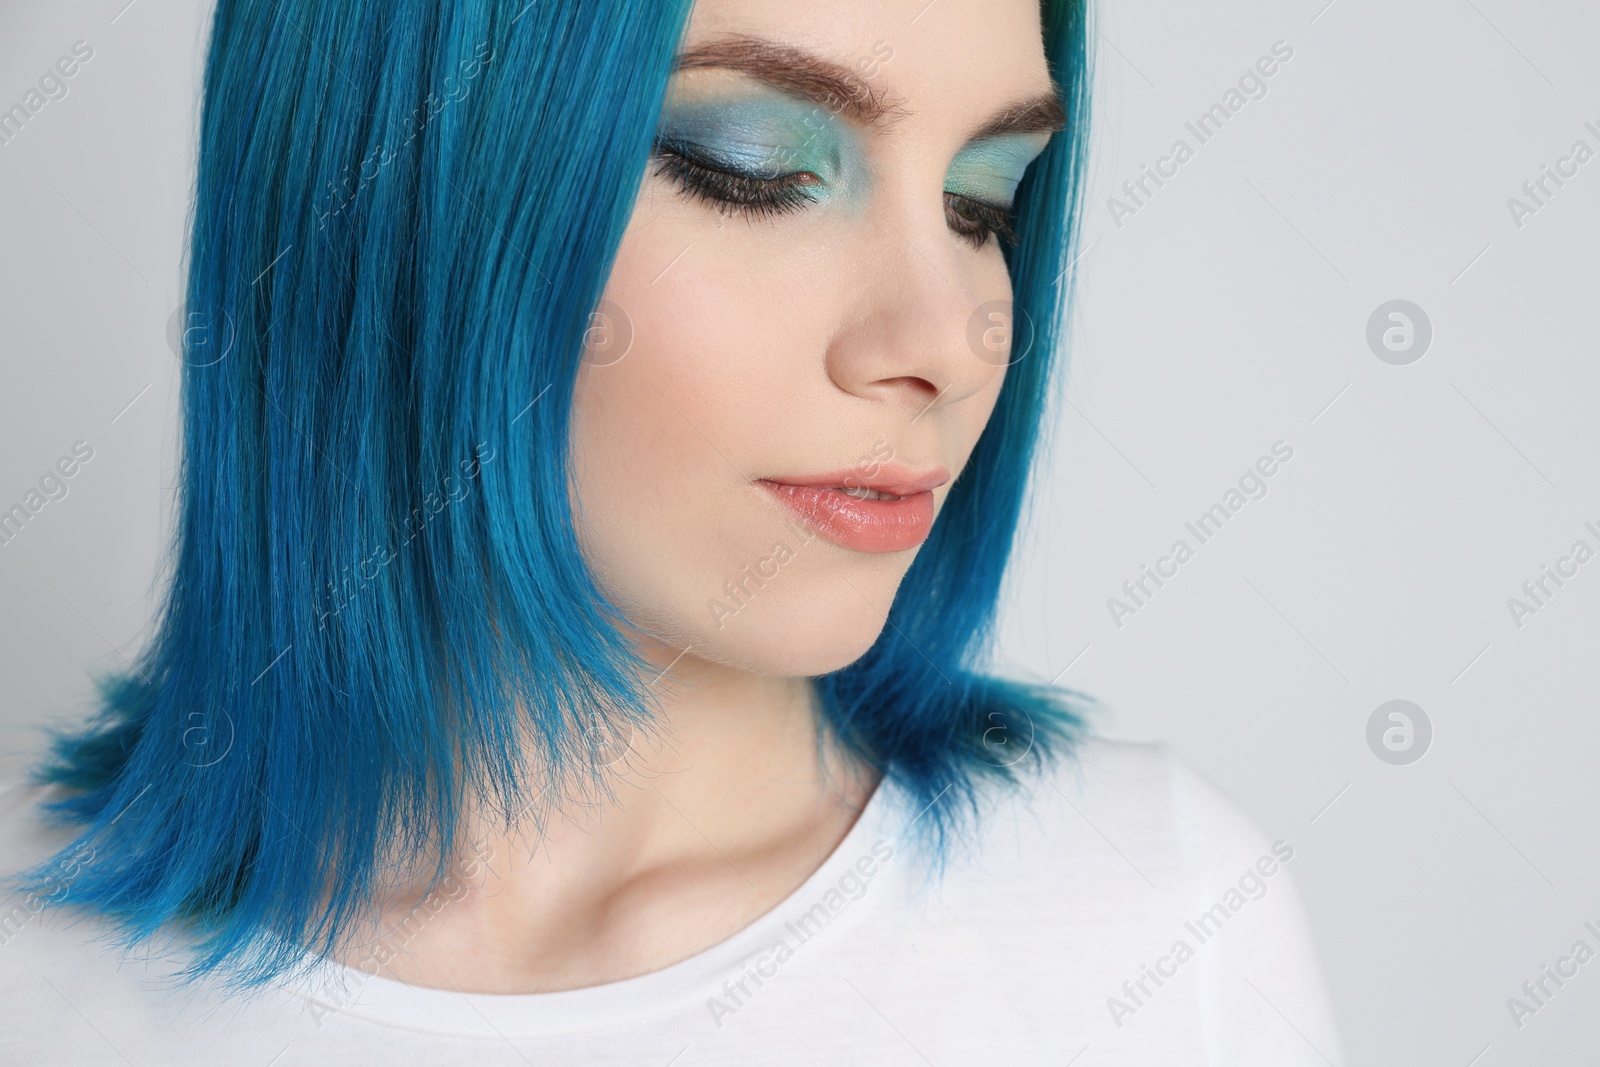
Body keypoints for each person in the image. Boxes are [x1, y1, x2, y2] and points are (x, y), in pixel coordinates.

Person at [0, 0, 1346, 1062]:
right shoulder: (32, 973)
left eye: (982, 201)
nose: (950, 339)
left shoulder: (1154, 922)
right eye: (755, 171)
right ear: (407, 190)